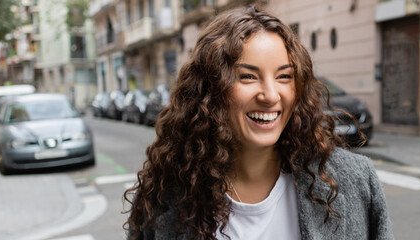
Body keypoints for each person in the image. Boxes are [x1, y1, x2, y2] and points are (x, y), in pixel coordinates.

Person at [124, 6, 393, 240]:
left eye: (284, 77)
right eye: (248, 77)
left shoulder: (356, 181)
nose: (270, 95)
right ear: (209, 90)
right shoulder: (161, 197)